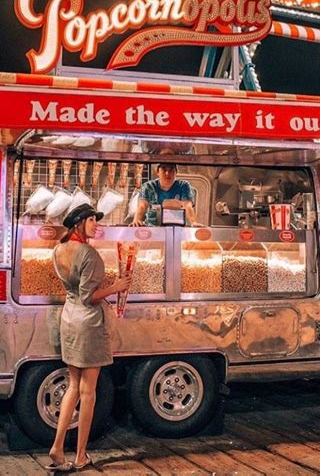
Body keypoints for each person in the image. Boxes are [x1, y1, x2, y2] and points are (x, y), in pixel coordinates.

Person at [46, 203, 132, 473]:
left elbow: (75, 294)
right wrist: (115, 287)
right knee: (88, 392)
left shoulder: (59, 249)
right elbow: (88, 296)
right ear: (78, 223)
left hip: (69, 319)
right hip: (89, 324)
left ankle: (58, 446)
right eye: (92, 221)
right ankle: (81, 455)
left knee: (73, 385)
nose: (96, 225)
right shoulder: (89, 254)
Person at [131, 163, 201, 227]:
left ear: (176, 172)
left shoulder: (183, 185)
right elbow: (142, 205)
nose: (167, 173)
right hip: (151, 228)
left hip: (176, 229)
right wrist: (137, 219)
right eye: (164, 169)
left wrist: (193, 222)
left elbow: (187, 205)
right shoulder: (148, 186)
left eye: (171, 170)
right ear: (158, 172)